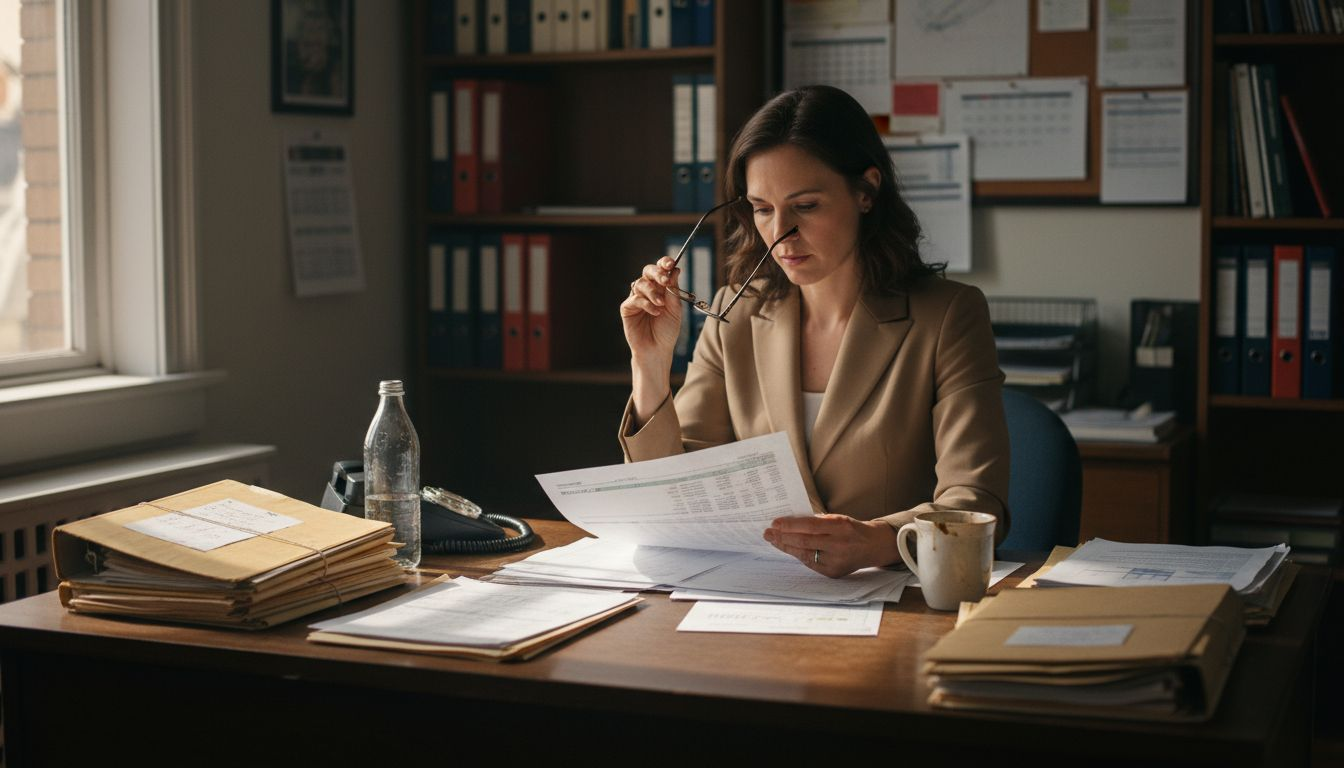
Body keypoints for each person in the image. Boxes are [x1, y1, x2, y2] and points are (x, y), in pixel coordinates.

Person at [618, 85, 1009, 579]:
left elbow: (976, 503)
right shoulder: (734, 314)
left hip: (893, 602)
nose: (780, 233)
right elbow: (675, 495)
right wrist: (650, 368)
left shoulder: (948, 316)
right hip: (751, 599)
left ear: (866, 192)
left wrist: (879, 542)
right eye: (762, 208)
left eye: (804, 206)